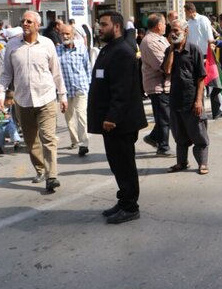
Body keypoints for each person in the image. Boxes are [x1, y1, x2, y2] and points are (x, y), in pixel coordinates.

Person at [0, 10, 68, 192]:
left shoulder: (47, 44)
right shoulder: (12, 46)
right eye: (23, 21)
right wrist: (1, 95)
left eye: (29, 21)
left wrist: (63, 95)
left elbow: (56, 72)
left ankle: (52, 176)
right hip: (23, 101)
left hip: (46, 98)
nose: (25, 24)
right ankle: (40, 169)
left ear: (37, 24)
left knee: (48, 138)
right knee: (31, 140)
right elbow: (5, 74)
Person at [88, 11, 148, 224]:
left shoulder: (122, 51)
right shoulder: (109, 50)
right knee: (117, 164)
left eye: (103, 24)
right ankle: (123, 201)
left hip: (119, 122)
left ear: (116, 27)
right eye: (99, 24)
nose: (99, 28)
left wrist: (112, 117)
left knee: (124, 165)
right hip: (111, 121)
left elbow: (122, 90)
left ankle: (131, 207)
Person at [163, 19, 210, 175]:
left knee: (198, 134)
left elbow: (201, 78)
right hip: (176, 100)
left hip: (192, 100)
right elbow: (167, 70)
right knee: (179, 135)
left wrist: (198, 101)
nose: (174, 33)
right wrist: (171, 48)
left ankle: (202, 163)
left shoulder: (194, 50)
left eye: (177, 30)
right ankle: (181, 162)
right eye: (171, 30)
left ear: (186, 31)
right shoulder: (170, 51)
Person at [140, 13, 174, 156]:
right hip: (158, 85)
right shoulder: (150, 42)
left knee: (166, 117)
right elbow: (163, 66)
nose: (166, 25)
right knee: (164, 118)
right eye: (164, 23)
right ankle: (163, 147)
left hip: (165, 84)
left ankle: (153, 137)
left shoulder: (159, 39)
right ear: (158, 25)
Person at [56, 25, 91, 157]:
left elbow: (87, 67)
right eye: (62, 34)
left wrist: (89, 84)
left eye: (67, 34)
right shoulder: (57, 51)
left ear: (73, 35)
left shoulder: (81, 49)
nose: (65, 36)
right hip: (65, 90)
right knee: (68, 116)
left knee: (81, 115)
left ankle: (84, 144)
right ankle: (74, 140)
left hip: (80, 87)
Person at [184, 2, 221, 119]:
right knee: (199, 84)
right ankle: (201, 110)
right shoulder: (187, 23)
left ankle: (216, 110)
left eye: (185, 11)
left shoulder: (203, 19)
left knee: (212, 83)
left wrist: (212, 51)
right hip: (194, 56)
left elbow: (210, 37)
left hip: (207, 55)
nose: (185, 14)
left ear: (190, 11)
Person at [0, 90, 22, 156]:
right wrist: (3, 116)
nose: (13, 102)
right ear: (5, 99)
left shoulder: (10, 106)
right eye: (11, 100)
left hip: (9, 123)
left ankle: (16, 142)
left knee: (13, 131)